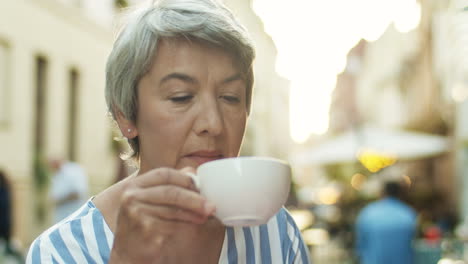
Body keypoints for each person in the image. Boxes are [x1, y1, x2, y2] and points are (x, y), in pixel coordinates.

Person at [27, 0, 310, 263]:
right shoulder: (63, 251)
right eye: (181, 97)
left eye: (231, 97)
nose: (213, 123)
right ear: (126, 114)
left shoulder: (276, 233)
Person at [355, 180, 417, 264]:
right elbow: (413, 243)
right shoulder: (408, 214)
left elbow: (360, 246)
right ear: (400, 194)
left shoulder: (367, 213)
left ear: (382, 193)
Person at [48, 158, 89, 223]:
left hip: (73, 217)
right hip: (61, 217)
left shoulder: (73, 170)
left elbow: (78, 193)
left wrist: (59, 201)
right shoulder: (56, 174)